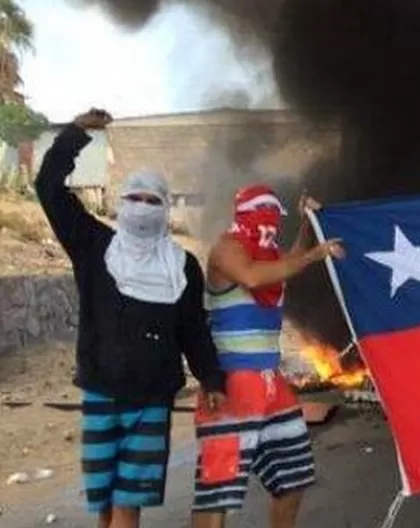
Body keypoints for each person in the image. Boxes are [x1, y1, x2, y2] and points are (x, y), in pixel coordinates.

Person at [34, 108, 227, 528]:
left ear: (164, 206)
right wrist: (74, 135)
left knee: (127, 503)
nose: (142, 207)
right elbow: (48, 188)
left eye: (152, 199)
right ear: (121, 203)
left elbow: (193, 330)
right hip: (100, 393)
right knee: (105, 503)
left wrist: (211, 379)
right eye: (134, 198)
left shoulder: (182, 265)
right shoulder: (93, 246)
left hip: (152, 400)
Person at [190, 184, 344, 528]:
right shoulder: (226, 249)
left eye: (276, 219)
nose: (270, 225)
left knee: (293, 478)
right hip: (230, 385)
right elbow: (252, 277)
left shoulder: (270, 257)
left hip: (272, 385)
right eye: (264, 216)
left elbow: (286, 264)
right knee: (218, 489)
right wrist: (313, 255)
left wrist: (306, 223)